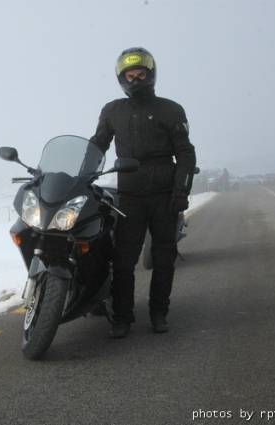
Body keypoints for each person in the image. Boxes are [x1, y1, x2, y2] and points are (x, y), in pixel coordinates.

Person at [89, 47, 196, 338]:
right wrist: (77, 171)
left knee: (163, 258)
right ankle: (123, 317)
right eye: (130, 76)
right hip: (130, 196)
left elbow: (185, 153)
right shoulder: (112, 111)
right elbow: (97, 145)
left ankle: (159, 313)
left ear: (151, 74)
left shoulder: (170, 110)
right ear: (121, 79)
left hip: (165, 195)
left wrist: (181, 190)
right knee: (123, 260)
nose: (135, 80)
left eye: (140, 74)